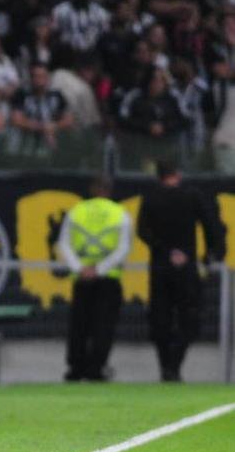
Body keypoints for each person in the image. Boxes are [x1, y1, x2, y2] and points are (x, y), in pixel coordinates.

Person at [135, 160, 226, 382]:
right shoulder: (191, 196)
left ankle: (166, 366)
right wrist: (212, 253)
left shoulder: (151, 197)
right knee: (189, 317)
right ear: (177, 174)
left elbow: (143, 231)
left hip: (160, 266)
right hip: (186, 265)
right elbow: (211, 225)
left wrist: (164, 250)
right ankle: (174, 364)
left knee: (160, 318)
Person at [56, 177, 131, 382]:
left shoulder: (76, 211)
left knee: (79, 324)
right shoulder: (120, 213)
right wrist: (99, 269)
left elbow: (64, 244)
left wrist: (80, 268)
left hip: (81, 279)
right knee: (104, 325)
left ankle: (75, 368)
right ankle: (96, 368)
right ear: (109, 190)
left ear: (91, 189)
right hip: (108, 278)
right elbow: (123, 248)